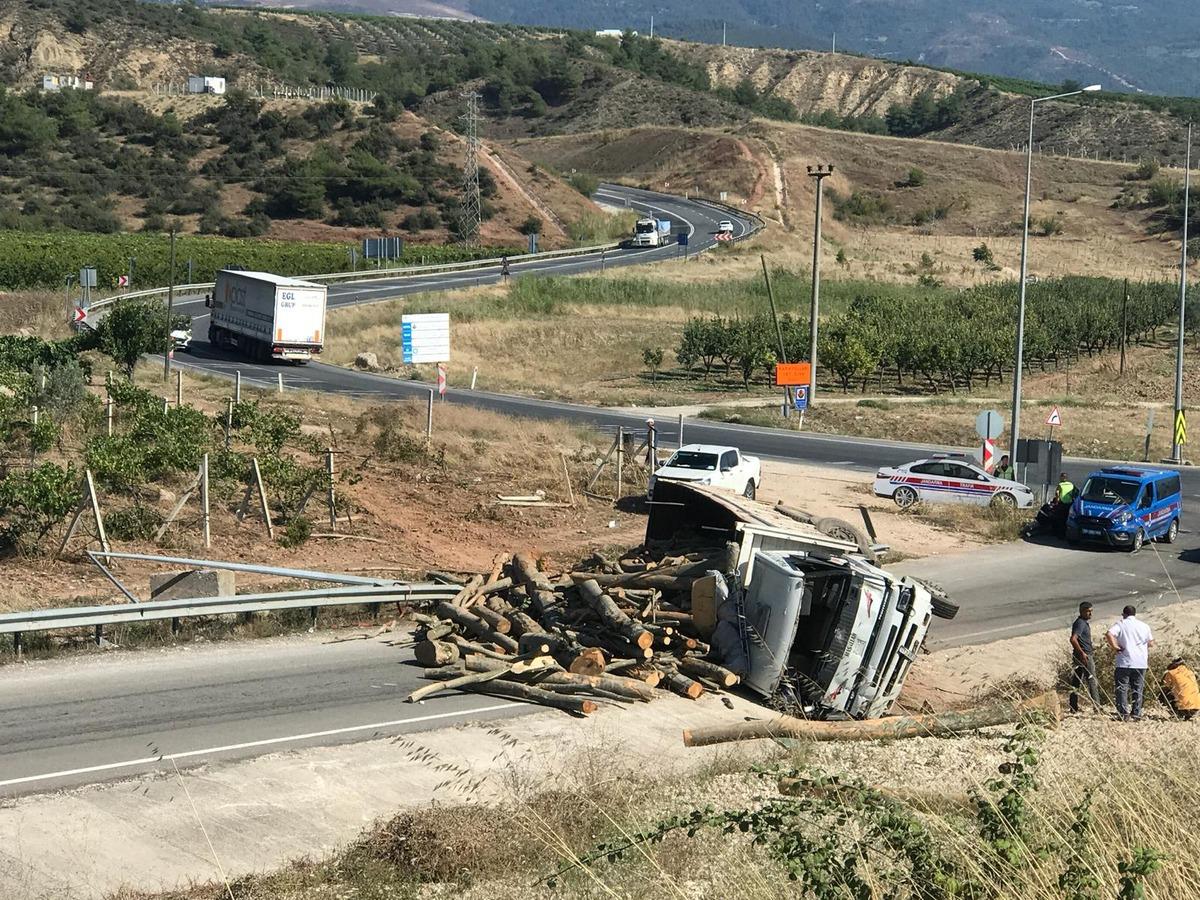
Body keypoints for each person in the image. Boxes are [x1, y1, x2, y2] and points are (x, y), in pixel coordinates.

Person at [1106, 605, 1154, 721]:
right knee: (1138, 688)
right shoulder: (1144, 626)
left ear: (1124, 614)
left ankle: (1123, 713)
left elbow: (1109, 634)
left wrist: (1115, 647)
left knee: (1122, 688)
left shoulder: (1121, 624)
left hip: (1125, 661)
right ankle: (1136, 713)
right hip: (1141, 662)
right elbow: (1151, 642)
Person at [1068, 601, 1102, 713]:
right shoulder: (1080, 623)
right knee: (1091, 680)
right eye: (1088, 611)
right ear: (1082, 611)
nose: (1090, 614)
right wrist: (1082, 653)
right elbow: (1073, 639)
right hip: (1085, 655)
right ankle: (1097, 707)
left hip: (1080, 655)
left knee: (1076, 681)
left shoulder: (1082, 623)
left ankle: (1073, 706)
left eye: (1091, 611)